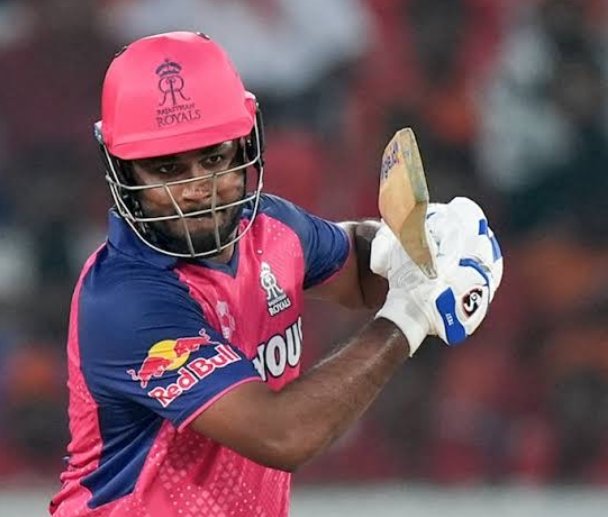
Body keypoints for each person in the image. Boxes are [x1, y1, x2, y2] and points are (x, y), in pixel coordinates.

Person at [50, 31, 503, 516]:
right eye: (167, 169)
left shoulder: (269, 226)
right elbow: (282, 435)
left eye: (214, 158)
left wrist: (417, 246)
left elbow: (358, 266)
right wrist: (410, 315)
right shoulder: (125, 300)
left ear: (246, 144)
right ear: (123, 170)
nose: (198, 189)